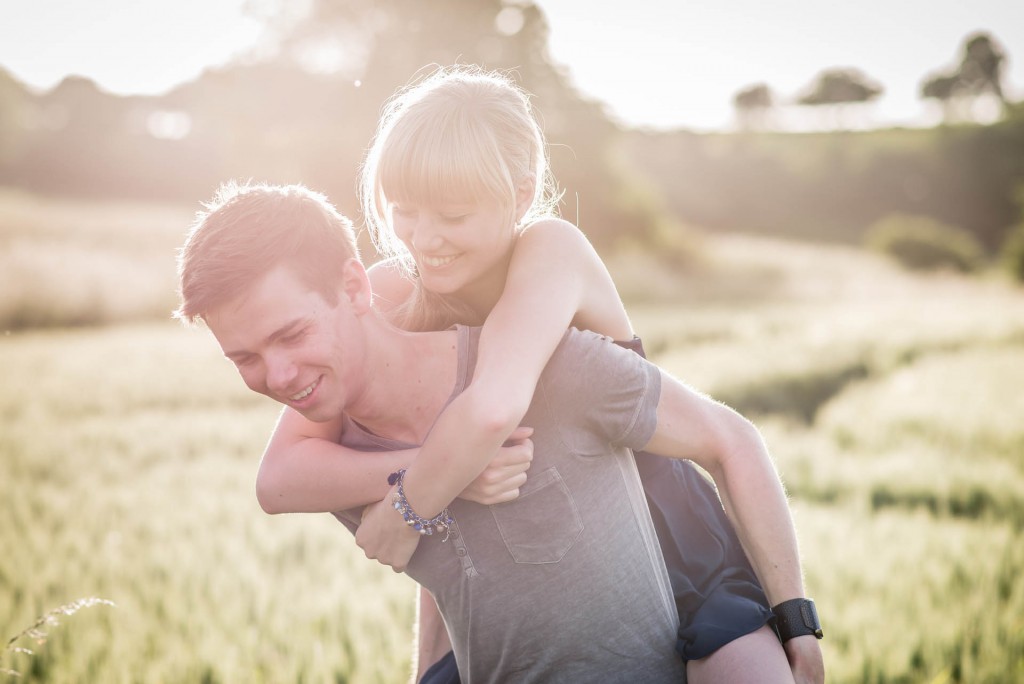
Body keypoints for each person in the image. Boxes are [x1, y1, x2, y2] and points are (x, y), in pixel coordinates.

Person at [240, 66, 824, 682]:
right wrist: (429, 657)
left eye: (452, 215)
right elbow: (288, 478)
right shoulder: (392, 290)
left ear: (520, 195)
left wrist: (794, 618)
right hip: (514, 576)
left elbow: (490, 412)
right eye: (404, 212)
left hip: (676, 548)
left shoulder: (552, 251)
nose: (423, 239)